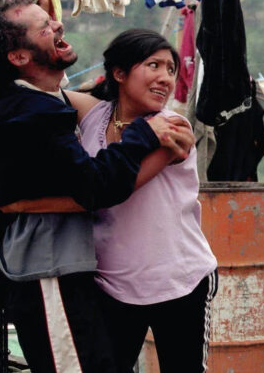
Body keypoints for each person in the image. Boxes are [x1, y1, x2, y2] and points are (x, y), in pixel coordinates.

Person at [0, 0, 194, 372]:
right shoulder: (32, 113)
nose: (57, 26)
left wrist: (10, 202)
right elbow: (96, 190)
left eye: (170, 68)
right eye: (44, 27)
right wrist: (141, 133)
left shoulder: (46, 97)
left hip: (175, 279)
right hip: (49, 268)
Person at [64, 29, 217, 372]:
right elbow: (49, 94)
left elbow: (114, 187)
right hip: (113, 284)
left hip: (179, 282)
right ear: (119, 73)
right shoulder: (95, 115)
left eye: (171, 69)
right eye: (154, 65)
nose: (166, 78)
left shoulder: (171, 128)